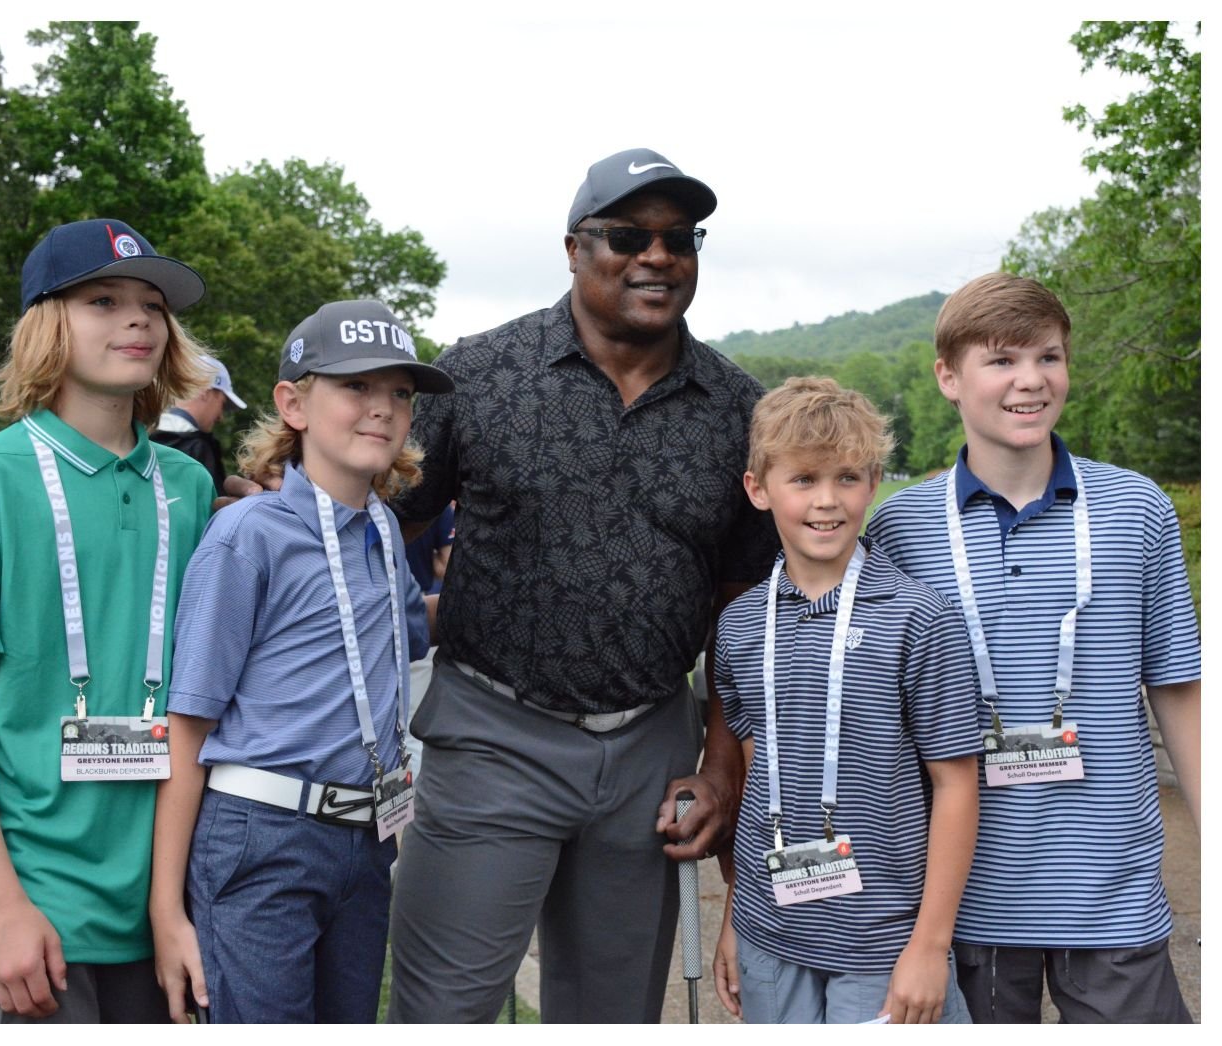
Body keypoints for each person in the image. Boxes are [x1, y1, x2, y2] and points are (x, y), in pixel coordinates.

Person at [381, 148, 779, 1023]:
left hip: (647, 750)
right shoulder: (479, 375)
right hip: (492, 735)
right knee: (443, 1011)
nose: (657, 257)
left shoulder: (736, 408)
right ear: (573, 248)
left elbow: (744, 611)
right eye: (627, 236)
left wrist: (717, 771)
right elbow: (386, 527)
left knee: (610, 1019)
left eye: (680, 239)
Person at [865, 272, 1201, 1023]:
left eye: (1047, 357)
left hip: (1111, 897)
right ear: (947, 377)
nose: (1029, 380)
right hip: (965, 910)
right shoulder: (899, 532)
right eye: (1002, 360)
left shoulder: (1134, 507)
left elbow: (1176, 686)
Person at [150, 300, 446, 1023]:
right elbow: (188, 725)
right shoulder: (247, 536)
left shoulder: (379, 534)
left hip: (364, 841)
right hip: (262, 836)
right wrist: (165, 910)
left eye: (399, 394)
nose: (381, 409)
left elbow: (400, 635)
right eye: (355, 387)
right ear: (293, 403)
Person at [0, 218, 216, 1024]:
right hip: (39, 914)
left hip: (168, 902)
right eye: (102, 300)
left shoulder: (189, 487)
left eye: (151, 303)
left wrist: (175, 904)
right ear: (46, 323)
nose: (138, 318)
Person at [707, 377, 981, 1024]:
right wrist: (733, 919)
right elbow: (754, 780)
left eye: (847, 478)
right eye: (802, 480)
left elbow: (956, 786)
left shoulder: (917, 618)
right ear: (757, 488)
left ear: (874, 481)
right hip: (767, 938)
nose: (826, 501)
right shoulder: (742, 625)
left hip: (881, 945)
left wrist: (929, 946)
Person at [150, 354, 245, 491]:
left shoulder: (137, 438)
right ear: (205, 392)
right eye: (222, 404)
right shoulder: (198, 447)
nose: (220, 417)